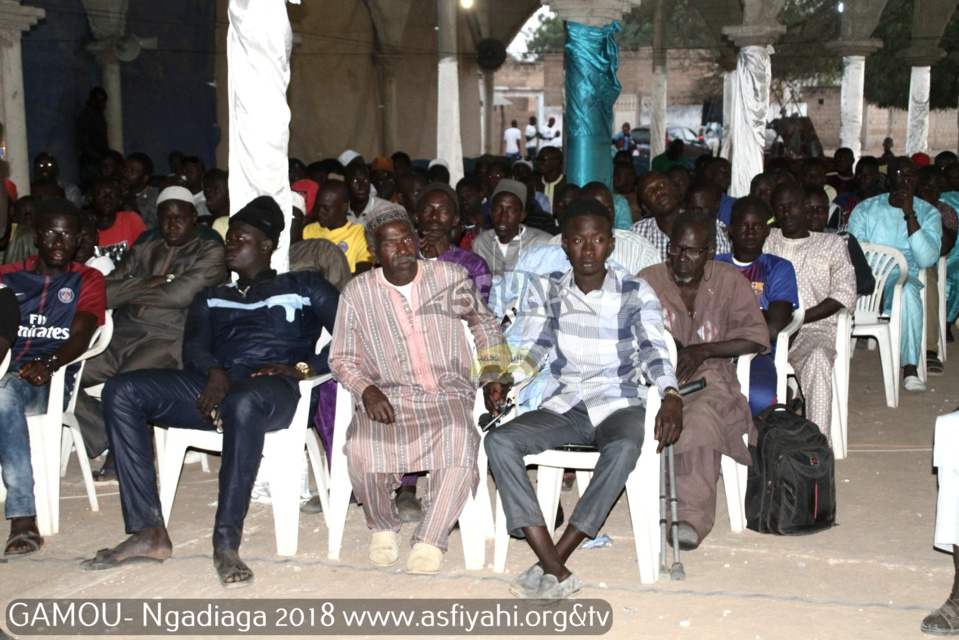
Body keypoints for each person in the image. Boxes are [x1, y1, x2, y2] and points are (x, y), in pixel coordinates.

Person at [81, 195, 339, 588]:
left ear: (266, 245)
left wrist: (304, 368)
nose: (229, 245)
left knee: (243, 401)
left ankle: (226, 543)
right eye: (228, 238)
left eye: (240, 239)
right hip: (220, 384)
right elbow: (195, 347)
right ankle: (148, 532)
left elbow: (352, 332)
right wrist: (214, 372)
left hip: (276, 388)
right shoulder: (213, 295)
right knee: (122, 390)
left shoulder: (303, 284)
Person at [485, 196, 682, 600]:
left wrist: (671, 392)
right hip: (567, 403)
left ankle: (553, 560)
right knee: (499, 441)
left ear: (610, 244)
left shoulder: (635, 291)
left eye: (597, 240)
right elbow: (536, 348)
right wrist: (506, 378)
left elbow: (654, 351)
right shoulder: (548, 288)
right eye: (578, 240)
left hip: (620, 401)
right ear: (565, 245)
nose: (588, 249)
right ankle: (556, 568)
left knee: (625, 447)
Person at [329, 203, 508, 575]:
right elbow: (342, 358)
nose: (403, 249)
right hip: (389, 395)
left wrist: (493, 373)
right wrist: (366, 390)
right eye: (390, 244)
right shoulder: (357, 293)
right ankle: (383, 526)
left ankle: (430, 537)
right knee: (361, 446)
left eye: (407, 239)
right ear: (374, 253)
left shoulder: (449, 276)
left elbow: (485, 324)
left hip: (448, 392)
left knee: (459, 439)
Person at [73, 186, 227, 476]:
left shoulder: (210, 251)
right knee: (63, 375)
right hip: (120, 335)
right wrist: (148, 282)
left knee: (121, 385)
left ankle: (123, 456)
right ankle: (107, 437)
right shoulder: (144, 248)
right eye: (165, 218)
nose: (172, 224)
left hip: (166, 338)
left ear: (194, 217)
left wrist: (132, 290)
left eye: (180, 217)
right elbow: (102, 292)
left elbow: (179, 296)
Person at [639, 211, 768, 550]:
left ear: (709, 252)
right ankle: (663, 496)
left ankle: (688, 517)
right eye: (676, 249)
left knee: (700, 417)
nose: (682, 258)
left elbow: (756, 337)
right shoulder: (648, 281)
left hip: (712, 375)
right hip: (657, 378)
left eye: (693, 251)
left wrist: (704, 350)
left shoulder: (728, 281)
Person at [0, 198, 106, 556]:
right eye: (50, 234)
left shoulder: (87, 278)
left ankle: (23, 516)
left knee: (3, 393)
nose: (59, 243)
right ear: (35, 236)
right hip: (7, 371)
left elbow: (81, 334)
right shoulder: (7, 275)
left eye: (67, 235)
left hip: (51, 382)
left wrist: (50, 363)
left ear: (78, 239)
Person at [765, 183, 857, 437]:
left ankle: (817, 444)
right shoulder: (766, 239)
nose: (787, 212)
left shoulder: (832, 244)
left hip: (813, 329)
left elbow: (843, 294)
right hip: (767, 328)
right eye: (780, 207)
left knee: (818, 359)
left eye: (792, 205)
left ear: (805, 207)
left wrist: (798, 319)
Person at [848, 156, 942, 392]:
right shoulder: (866, 209)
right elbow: (857, 252)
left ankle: (910, 368)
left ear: (916, 179)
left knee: (907, 290)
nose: (905, 180)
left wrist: (910, 215)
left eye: (910, 175)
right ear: (888, 180)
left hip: (902, 278)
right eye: (899, 174)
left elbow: (926, 259)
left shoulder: (929, 213)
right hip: (869, 276)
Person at [715, 197, 799, 414]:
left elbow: (773, 329)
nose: (750, 233)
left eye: (758, 226)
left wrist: (727, 320)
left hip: (759, 353)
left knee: (759, 397)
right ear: (731, 230)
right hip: (714, 349)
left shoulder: (778, 268)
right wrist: (758, 315)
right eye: (743, 226)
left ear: (767, 230)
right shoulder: (714, 265)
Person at [415, 183, 491, 302]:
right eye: (427, 209)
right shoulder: (403, 254)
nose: (434, 216)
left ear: (455, 220)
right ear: (416, 218)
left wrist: (446, 258)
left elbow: (477, 310)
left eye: (443, 211)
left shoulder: (474, 265)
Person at [917, 166, 959, 375]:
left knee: (927, 277)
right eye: (926, 187)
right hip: (902, 257)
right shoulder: (906, 205)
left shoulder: (945, 211)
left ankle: (929, 349)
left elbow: (945, 247)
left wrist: (932, 214)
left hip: (928, 260)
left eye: (935, 189)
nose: (931, 192)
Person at [631, 173, 730, 261]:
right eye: (649, 192)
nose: (659, 192)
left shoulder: (705, 226)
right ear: (645, 207)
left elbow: (721, 270)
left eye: (662, 185)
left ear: (675, 189)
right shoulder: (637, 233)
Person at [472, 179, 551, 277]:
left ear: (522, 215)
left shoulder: (542, 243)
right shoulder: (481, 243)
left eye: (511, 211)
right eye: (497, 209)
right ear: (490, 212)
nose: (503, 217)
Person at [302, 180, 373, 274]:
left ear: (344, 207)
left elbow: (363, 274)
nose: (319, 213)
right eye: (318, 207)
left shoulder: (360, 234)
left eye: (326, 209)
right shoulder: (308, 230)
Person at [88, 177, 148, 263]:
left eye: (112, 194)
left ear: (120, 200)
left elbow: (146, 253)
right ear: (91, 198)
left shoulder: (130, 219)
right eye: (102, 193)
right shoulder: (85, 226)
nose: (107, 198)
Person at [833, 156, 882, 230]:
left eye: (866, 176)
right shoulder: (843, 199)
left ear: (877, 176)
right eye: (859, 175)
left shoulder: (884, 201)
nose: (862, 178)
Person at [76, 87, 109, 191]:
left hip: (99, 159)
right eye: (101, 102)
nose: (104, 105)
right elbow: (84, 145)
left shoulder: (98, 114)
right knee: (93, 188)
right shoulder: (86, 118)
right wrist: (100, 158)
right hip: (90, 162)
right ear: (93, 101)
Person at [120, 152, 159, 230]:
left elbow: (149, 229)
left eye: (133, 171)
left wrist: (131, 202)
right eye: (125, 169)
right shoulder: (117, 195)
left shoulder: (156, 196)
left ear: (144, 178)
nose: (126, 174)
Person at [702, 157, 735, 225]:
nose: (728, 175)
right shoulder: (697, 200)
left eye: (729, 172)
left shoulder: (733, 204)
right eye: (723, 170)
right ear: (708, 173)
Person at [535, 146, 566, 211]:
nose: (539, 163)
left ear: (557, 161)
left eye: (543, 159)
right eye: (538, 159)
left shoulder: (566, 183)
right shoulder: (534, 183)